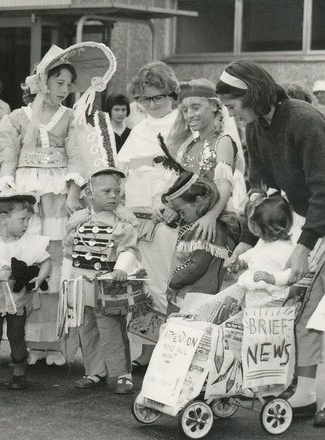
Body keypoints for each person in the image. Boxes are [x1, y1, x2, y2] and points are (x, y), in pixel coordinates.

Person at [217, 60, 325, 426]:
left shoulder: (304, 120)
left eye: (233, 107)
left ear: (251, 94)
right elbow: (260, 187)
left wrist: (303, 246)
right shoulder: (256, 128)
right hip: (314, 207)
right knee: (301, 298)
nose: (232, 115)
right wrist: (246, 239)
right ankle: (305, 390)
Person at [0, 42, 116, 366]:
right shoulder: (16, 118)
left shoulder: (71, 117)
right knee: (28, 261)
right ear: (43, 81)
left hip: (57, 195)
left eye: (68, 84)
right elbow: (8, 159)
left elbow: (76, 156)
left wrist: (74, 193)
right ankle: (30, 341)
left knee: (57, 264)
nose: (64, 89)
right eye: (59, 82)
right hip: (26, 194)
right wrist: (5, 191)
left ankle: (55, 343)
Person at [114, 61, 180, 371]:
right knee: (142, 287)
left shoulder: (182, 126)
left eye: (158, 97)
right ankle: (146, 350)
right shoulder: (139, 130)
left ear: (171, 94)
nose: (152, 104)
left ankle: (170, 351)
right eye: (146, 99)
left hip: (170, 220)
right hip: (139, 220)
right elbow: (122, 170)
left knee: (167, 284)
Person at [63, 168, 140, 394]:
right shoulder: (78, 221)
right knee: (87, 329)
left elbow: (130, 249)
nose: (113, 195)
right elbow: (69, 252)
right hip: (82, 285)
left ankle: (121, 374)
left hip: (109, 287)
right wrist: (67, 282)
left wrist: (121, 268)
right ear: (89, 192)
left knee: (112, 330)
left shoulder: (123, 222)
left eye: (117, 191)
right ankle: (94, 371)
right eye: (106, 191)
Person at [0, 191, 50, 390]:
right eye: (22, 219)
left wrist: (39, 278)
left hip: (17, 299)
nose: (26, 224)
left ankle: (19, 372)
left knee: (16, 334)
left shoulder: (28, 241)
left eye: (28, 220)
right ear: (3, 219)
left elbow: (45, 260)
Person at [162, 172, 241, 315]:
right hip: (203, 295)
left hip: (192, 297)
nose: (181, 215)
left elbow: (195, 266)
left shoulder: (204, 229)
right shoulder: (213, 223)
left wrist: (173, 284)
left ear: (198, 201)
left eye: (182, 210)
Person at [167, 79, 247, 218]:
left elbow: (224, 185)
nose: (189, 115)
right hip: (192, 218)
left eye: (196, 107)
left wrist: (211, 216)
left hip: (216, 218)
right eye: (185, 110)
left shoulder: (222, 141)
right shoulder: (190, 146)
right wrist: (171, 208)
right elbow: (184, 188)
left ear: (214, 106)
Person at [228, 189, 295, 296]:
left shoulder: (286, 249)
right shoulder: (264, 241)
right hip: (253, 290)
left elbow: (291, 273)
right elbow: (255, 252)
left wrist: (272, 278)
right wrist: (241, 260)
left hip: (270, 295)